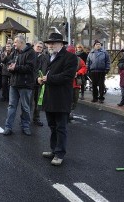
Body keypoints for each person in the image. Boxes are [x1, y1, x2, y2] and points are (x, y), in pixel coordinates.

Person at [37, 33, 78, 166]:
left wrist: (49, 79)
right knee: (52, 126)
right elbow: (45, 73)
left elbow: (67, 76)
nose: (50, 45)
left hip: (61, 97)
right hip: (49, 97)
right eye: (49, 43)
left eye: (53, 43)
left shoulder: (70, 57)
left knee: (61, 127)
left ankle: (60, 153)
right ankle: (54, 150)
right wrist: (40, 79)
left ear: (61, 44)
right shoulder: (49, 57)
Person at [3, 35, 36, 136]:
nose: (13, 44)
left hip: (25, 85)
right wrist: (10, 66)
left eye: (15, 42)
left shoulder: (31, 53)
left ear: (21, 43)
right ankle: (8, 127)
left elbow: (30, 68)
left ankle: (25, 126)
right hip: (14, 83)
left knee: (25, 107)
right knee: (11, 106)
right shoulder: (15, 52)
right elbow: (9, 62)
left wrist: (16, 67)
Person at [66, 45, 87, 120]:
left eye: (72, 52)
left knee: (75, 98)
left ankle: (71, 111)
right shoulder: (63, 59)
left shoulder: (78, 59)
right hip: (66, 84)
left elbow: (84, 67)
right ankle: (66, 112)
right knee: (67, 99)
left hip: (75, 83)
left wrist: (78, 73)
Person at [31, 40, 48, 126]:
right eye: (38, 47)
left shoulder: (44, 57)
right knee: (28, 102)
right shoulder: (30, 56)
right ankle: (25, 119)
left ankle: (36, 118)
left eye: (41, 47)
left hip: (40, 82)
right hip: (30, 82)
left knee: (38, 101)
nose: (39, 48)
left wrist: (43, 78)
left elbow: (45, 69)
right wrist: (36, 77)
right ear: (34, 46)